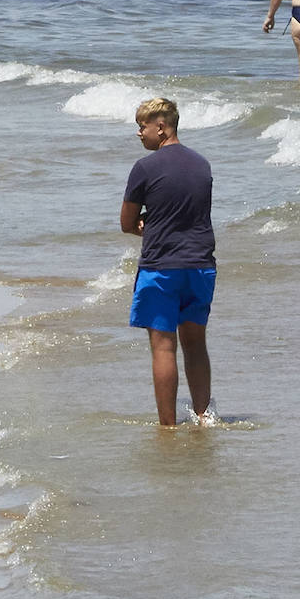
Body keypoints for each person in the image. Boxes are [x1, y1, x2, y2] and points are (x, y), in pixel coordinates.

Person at [120, 97, 218, 426]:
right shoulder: (202, 164)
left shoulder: (144, 168)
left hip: (161, 265)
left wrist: (146, 224)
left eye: (142, 126)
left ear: (161, 127)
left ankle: (168, 426)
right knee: (195, 343)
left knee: (163, 347)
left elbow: (127, 223)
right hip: (200, 264)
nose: (139, 133)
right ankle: (204, 415)